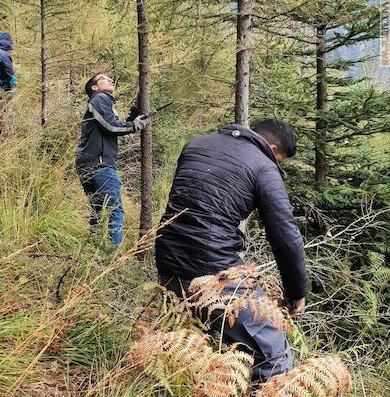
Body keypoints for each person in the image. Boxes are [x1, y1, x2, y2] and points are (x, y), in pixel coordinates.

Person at [155, 119, 308, 383]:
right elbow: (285, 236)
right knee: (272, 351)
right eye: (279, 160)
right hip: (211, 267)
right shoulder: (263, 166)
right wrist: (297, 292)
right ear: (272, 148)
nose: (277, 165)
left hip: (167, 256)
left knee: (190, 341)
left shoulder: (197, 144)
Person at [76, 74, 148, 245]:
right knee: (115, 210)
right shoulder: (100, 98)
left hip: (89, 163)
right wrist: (134, 126)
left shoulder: (102, 103)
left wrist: (134, 114)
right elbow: (111, 127)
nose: (109, 80)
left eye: (110, 78)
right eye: (103, 78)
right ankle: (113, 256)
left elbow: (114, 124)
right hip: (99, 164)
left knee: (98, 210)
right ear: (94, 87)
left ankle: (93, 250)